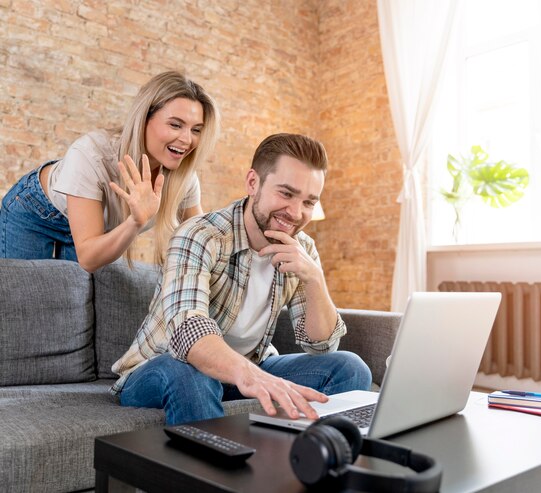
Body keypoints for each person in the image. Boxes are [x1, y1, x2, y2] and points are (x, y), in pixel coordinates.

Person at [111, 133, 372, 425]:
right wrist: (255, 377)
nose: (296, 213)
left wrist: (314, 278)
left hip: (248, 366)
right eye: (286, 194)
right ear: (252, 182)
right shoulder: (200, 234)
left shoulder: (303, 248)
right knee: (192, 373)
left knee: (350, 368)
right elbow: (189, 333)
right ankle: (217, 470)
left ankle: (309, 461)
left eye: (309, 202)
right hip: (163, 368)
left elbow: (321, 346)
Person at [0, 71, 220, 272]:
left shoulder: (184, 178)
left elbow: (202, 239)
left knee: (71, 299)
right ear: (144, 119)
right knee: (25, 295)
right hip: (39, 213)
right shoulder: (90, 154)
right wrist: (135, 222)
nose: (187, 139)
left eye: (196, 130)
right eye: (175, 125)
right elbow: (88, 257)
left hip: (94, 234)